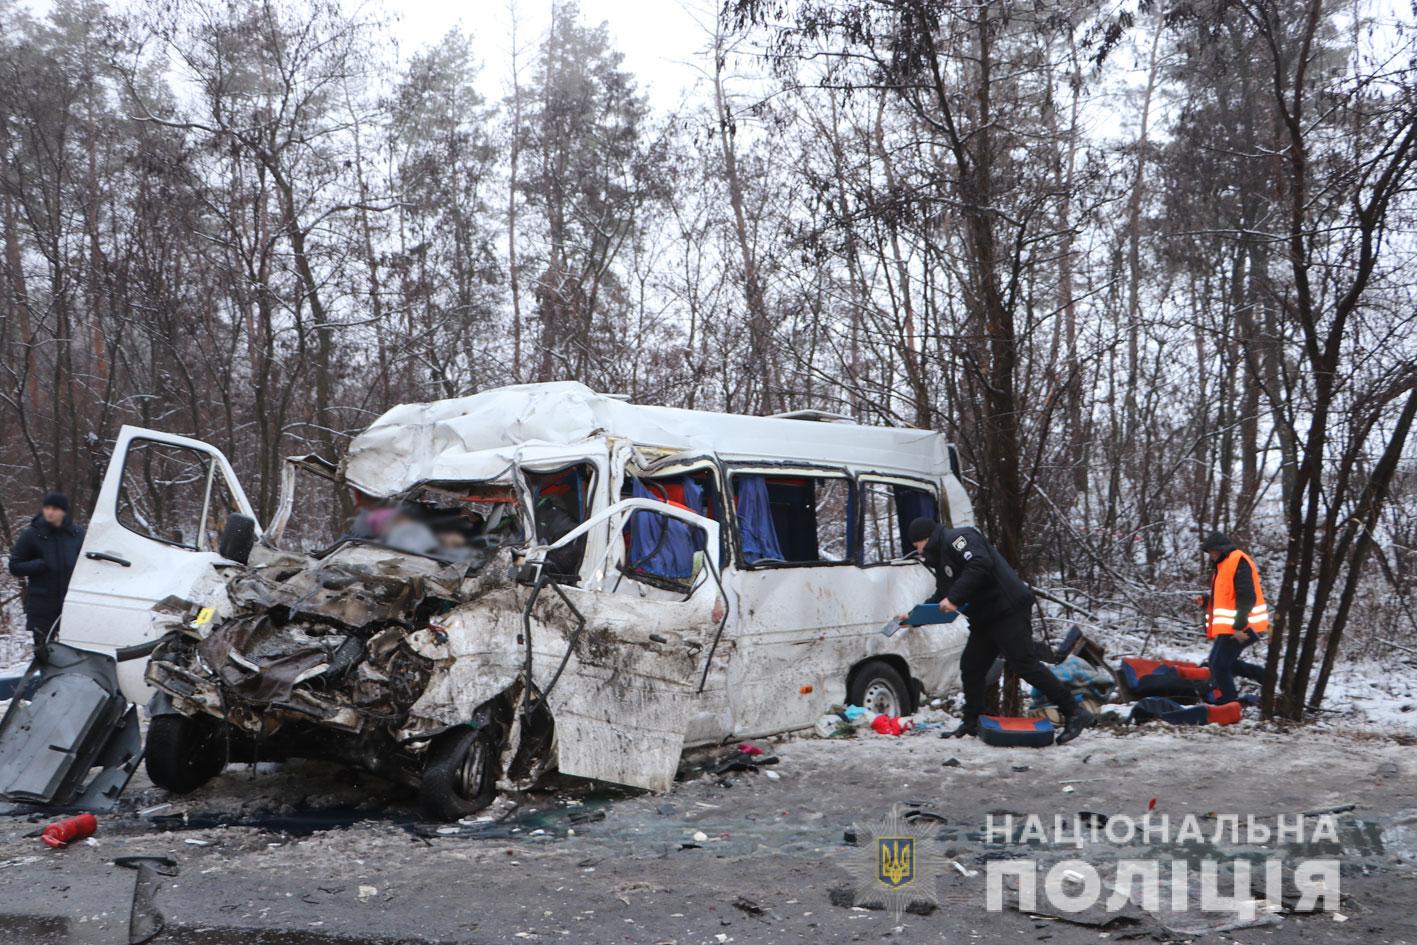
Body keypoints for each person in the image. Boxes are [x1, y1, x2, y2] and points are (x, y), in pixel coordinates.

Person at [901, 517, 1093, 745]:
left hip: (1007, 609)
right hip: (985, 618)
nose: (918, 551)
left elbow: (980, 564)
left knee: (1024, 664)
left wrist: (954, 598)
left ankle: (1074, 712)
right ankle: (971, 722)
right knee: (971, 666)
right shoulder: (942, 561)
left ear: (926, 538)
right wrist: (913, 618)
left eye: (917, 545)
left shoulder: (959, 539)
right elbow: (942, 595)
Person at [8, 491, 86, 660]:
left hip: (71, 603)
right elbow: (14, 565)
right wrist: (38, 565)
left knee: (74, 654)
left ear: (64, 511)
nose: (50, 512)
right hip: (42, 604)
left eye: (55, 509)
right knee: (44, 655)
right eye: (47, 508)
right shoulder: (32, 535)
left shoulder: (77, 535)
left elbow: (87, 565)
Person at [1195, 531, 1268, 704]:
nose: (1211, 555)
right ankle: (1268, 678)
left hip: (1244, 626)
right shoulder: (1223, 566)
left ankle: (1229, 703)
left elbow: (1247, 596)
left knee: (1219, 665)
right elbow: (1227, 598)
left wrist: (1239, 625)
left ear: (1220, 548)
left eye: (1212, 551)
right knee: (1218, 662)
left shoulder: (1238, 561)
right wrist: (1206, 601)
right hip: (1233, 627)